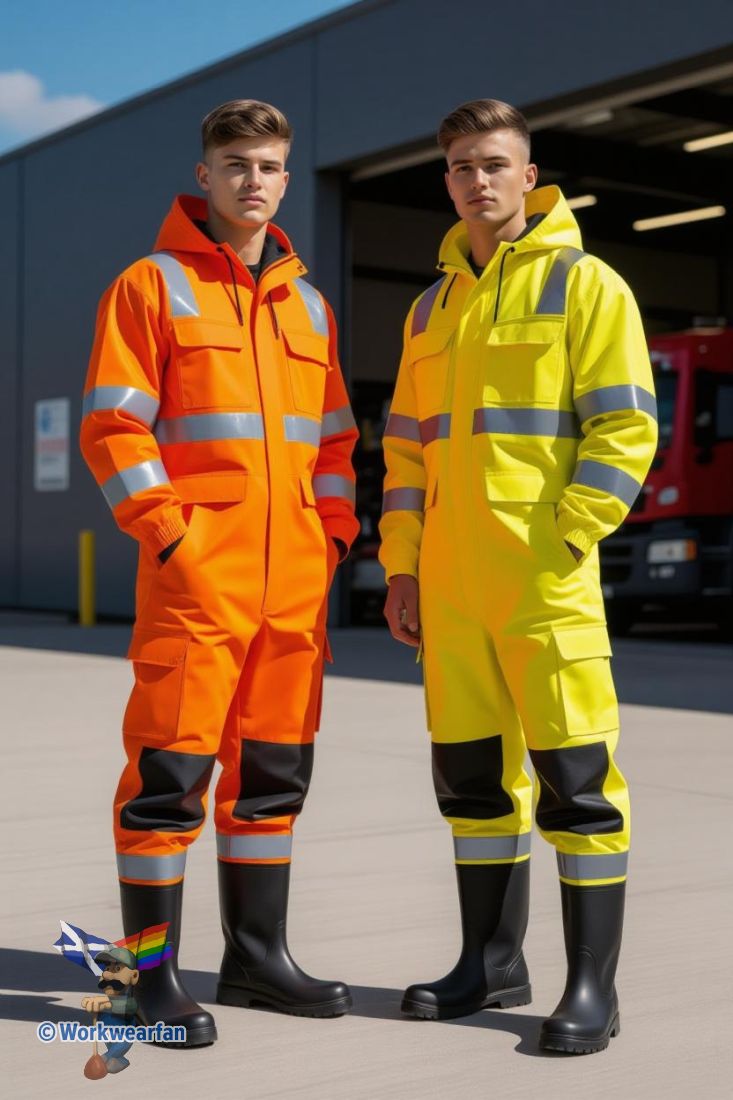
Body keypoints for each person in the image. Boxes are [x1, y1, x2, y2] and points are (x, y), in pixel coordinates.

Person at [379, 98, 657, 1054]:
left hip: (543, 581)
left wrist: (568, 538)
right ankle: (489, 963)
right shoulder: (429, 310)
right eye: (461, 165)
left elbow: (625, 427)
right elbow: (405, 451)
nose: (478, 180)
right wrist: (402, 568)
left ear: (528, 177)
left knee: (578, 784)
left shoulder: (586, 284)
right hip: (450, 591)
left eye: (494, 163)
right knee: (472, 785)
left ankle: (591, 988)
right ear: (447, 181)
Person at [80, 99, 359, 1046]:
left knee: (271, 778)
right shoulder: (150, 285)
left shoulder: (309, 307)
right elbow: (114, 427)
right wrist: (171, 539)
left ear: (286, 178)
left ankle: (256, 959)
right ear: (204, 176)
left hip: (292, 593)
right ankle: (145, 982)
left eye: (270, 165)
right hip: (196, 585)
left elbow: (334, 440)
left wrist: (330, 539)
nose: (254, 180)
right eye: (236, 163)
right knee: (168, 778)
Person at [81, 946, 140, 1074]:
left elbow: (123, 1006)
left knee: (114, 1051)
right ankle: (118, 1060)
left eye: (117, 969)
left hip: (123, 1036)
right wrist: (94, 1008)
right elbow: (103, 1007)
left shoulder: (129, 1002)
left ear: (134, 975)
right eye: (107, 969)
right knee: (113, 1060)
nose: (106, 974)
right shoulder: (104, 1001)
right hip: (107, 1035)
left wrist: (104, 1003)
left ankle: (105, 1058)